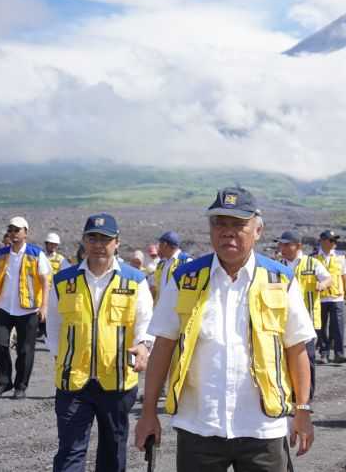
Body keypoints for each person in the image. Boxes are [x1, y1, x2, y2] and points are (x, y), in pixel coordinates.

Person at [135, 187, 315, 471]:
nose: (227, 231)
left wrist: (303, 410)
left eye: (238, 224)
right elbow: (163, 347)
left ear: (257, 230)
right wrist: (147, 414)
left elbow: (297, 348)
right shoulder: (186, 279)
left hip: (262, 429)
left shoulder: (281, 279)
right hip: (199, 427)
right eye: (220, 223)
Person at [46, 213, 153, 472]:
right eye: (92, 237)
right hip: (74, 384)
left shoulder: (134, 280)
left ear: (116, 242)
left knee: (112, 452)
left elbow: (146, 324)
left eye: (105, 239)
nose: (98, 244)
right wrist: (65, 359)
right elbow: (54, 327)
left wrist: (143, 345)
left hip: (116, 384)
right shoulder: (64, 280)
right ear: (84, 240)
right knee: (70, 453)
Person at [0, 217, 51, 399]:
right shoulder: (1, 254)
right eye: (10, 230)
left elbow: (45, 282)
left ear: (25, 233)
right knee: (0, 345)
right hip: (4, 308)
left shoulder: (36, 254)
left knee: (25, 350)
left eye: (17, 230)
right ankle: (4, 382)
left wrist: (44, 306)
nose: (13, 233)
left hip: (28, 309)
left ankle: (21, 385)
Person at [276, 230, 331, 398]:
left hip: (307, 320)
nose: (282, 248)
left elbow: (328, 278)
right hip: (283, 320)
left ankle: (306, 397)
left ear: (298, 246)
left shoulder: (311, 263)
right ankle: (289, 395)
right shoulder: (277, 265)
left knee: (307, 358)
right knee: (284, 359)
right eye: (280, 244)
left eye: (286, 244)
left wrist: (322, 285)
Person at [314, 230, 346, 364]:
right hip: (320, 297)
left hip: (336, 297)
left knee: (338, 327)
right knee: (321, 327)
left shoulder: (340, 257)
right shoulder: (314, 257)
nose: (334, 243)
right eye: (331, 240)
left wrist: (345, 293)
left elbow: (343, 276)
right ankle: (324, 353)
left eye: (335, 240)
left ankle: (339, 354)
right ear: (323, 241)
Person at [151, 231, 191, 306]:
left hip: (176, 311)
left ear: (165, 245)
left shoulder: (186, 262)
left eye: (160, 244)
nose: (158, 247)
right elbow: (155, 286)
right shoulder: (161, 264)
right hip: (161, 308)